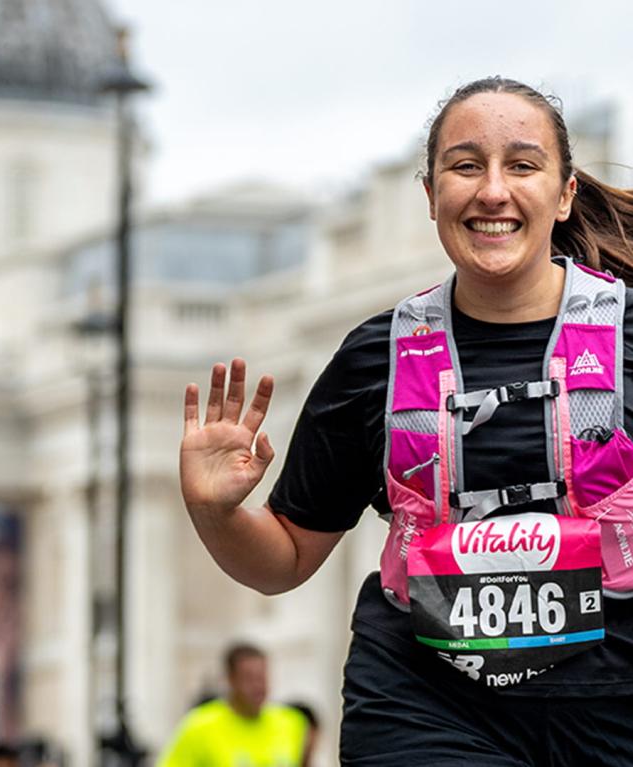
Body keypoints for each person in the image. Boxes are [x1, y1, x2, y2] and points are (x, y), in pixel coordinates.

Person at [179, 76, 633, 766]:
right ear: (430, 196)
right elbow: (284, 558)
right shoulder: (375, 357)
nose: (490, 191)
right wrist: (214, 510)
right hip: (421, 708)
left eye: (520, 164)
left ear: (563, 191)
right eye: (463, 165)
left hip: (608, 707)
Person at [156, 642, 309, 766]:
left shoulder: (292, 723)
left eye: (262, 677)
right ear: (230, 679)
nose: (257, 686)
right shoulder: (198, 727)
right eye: (249, 678)